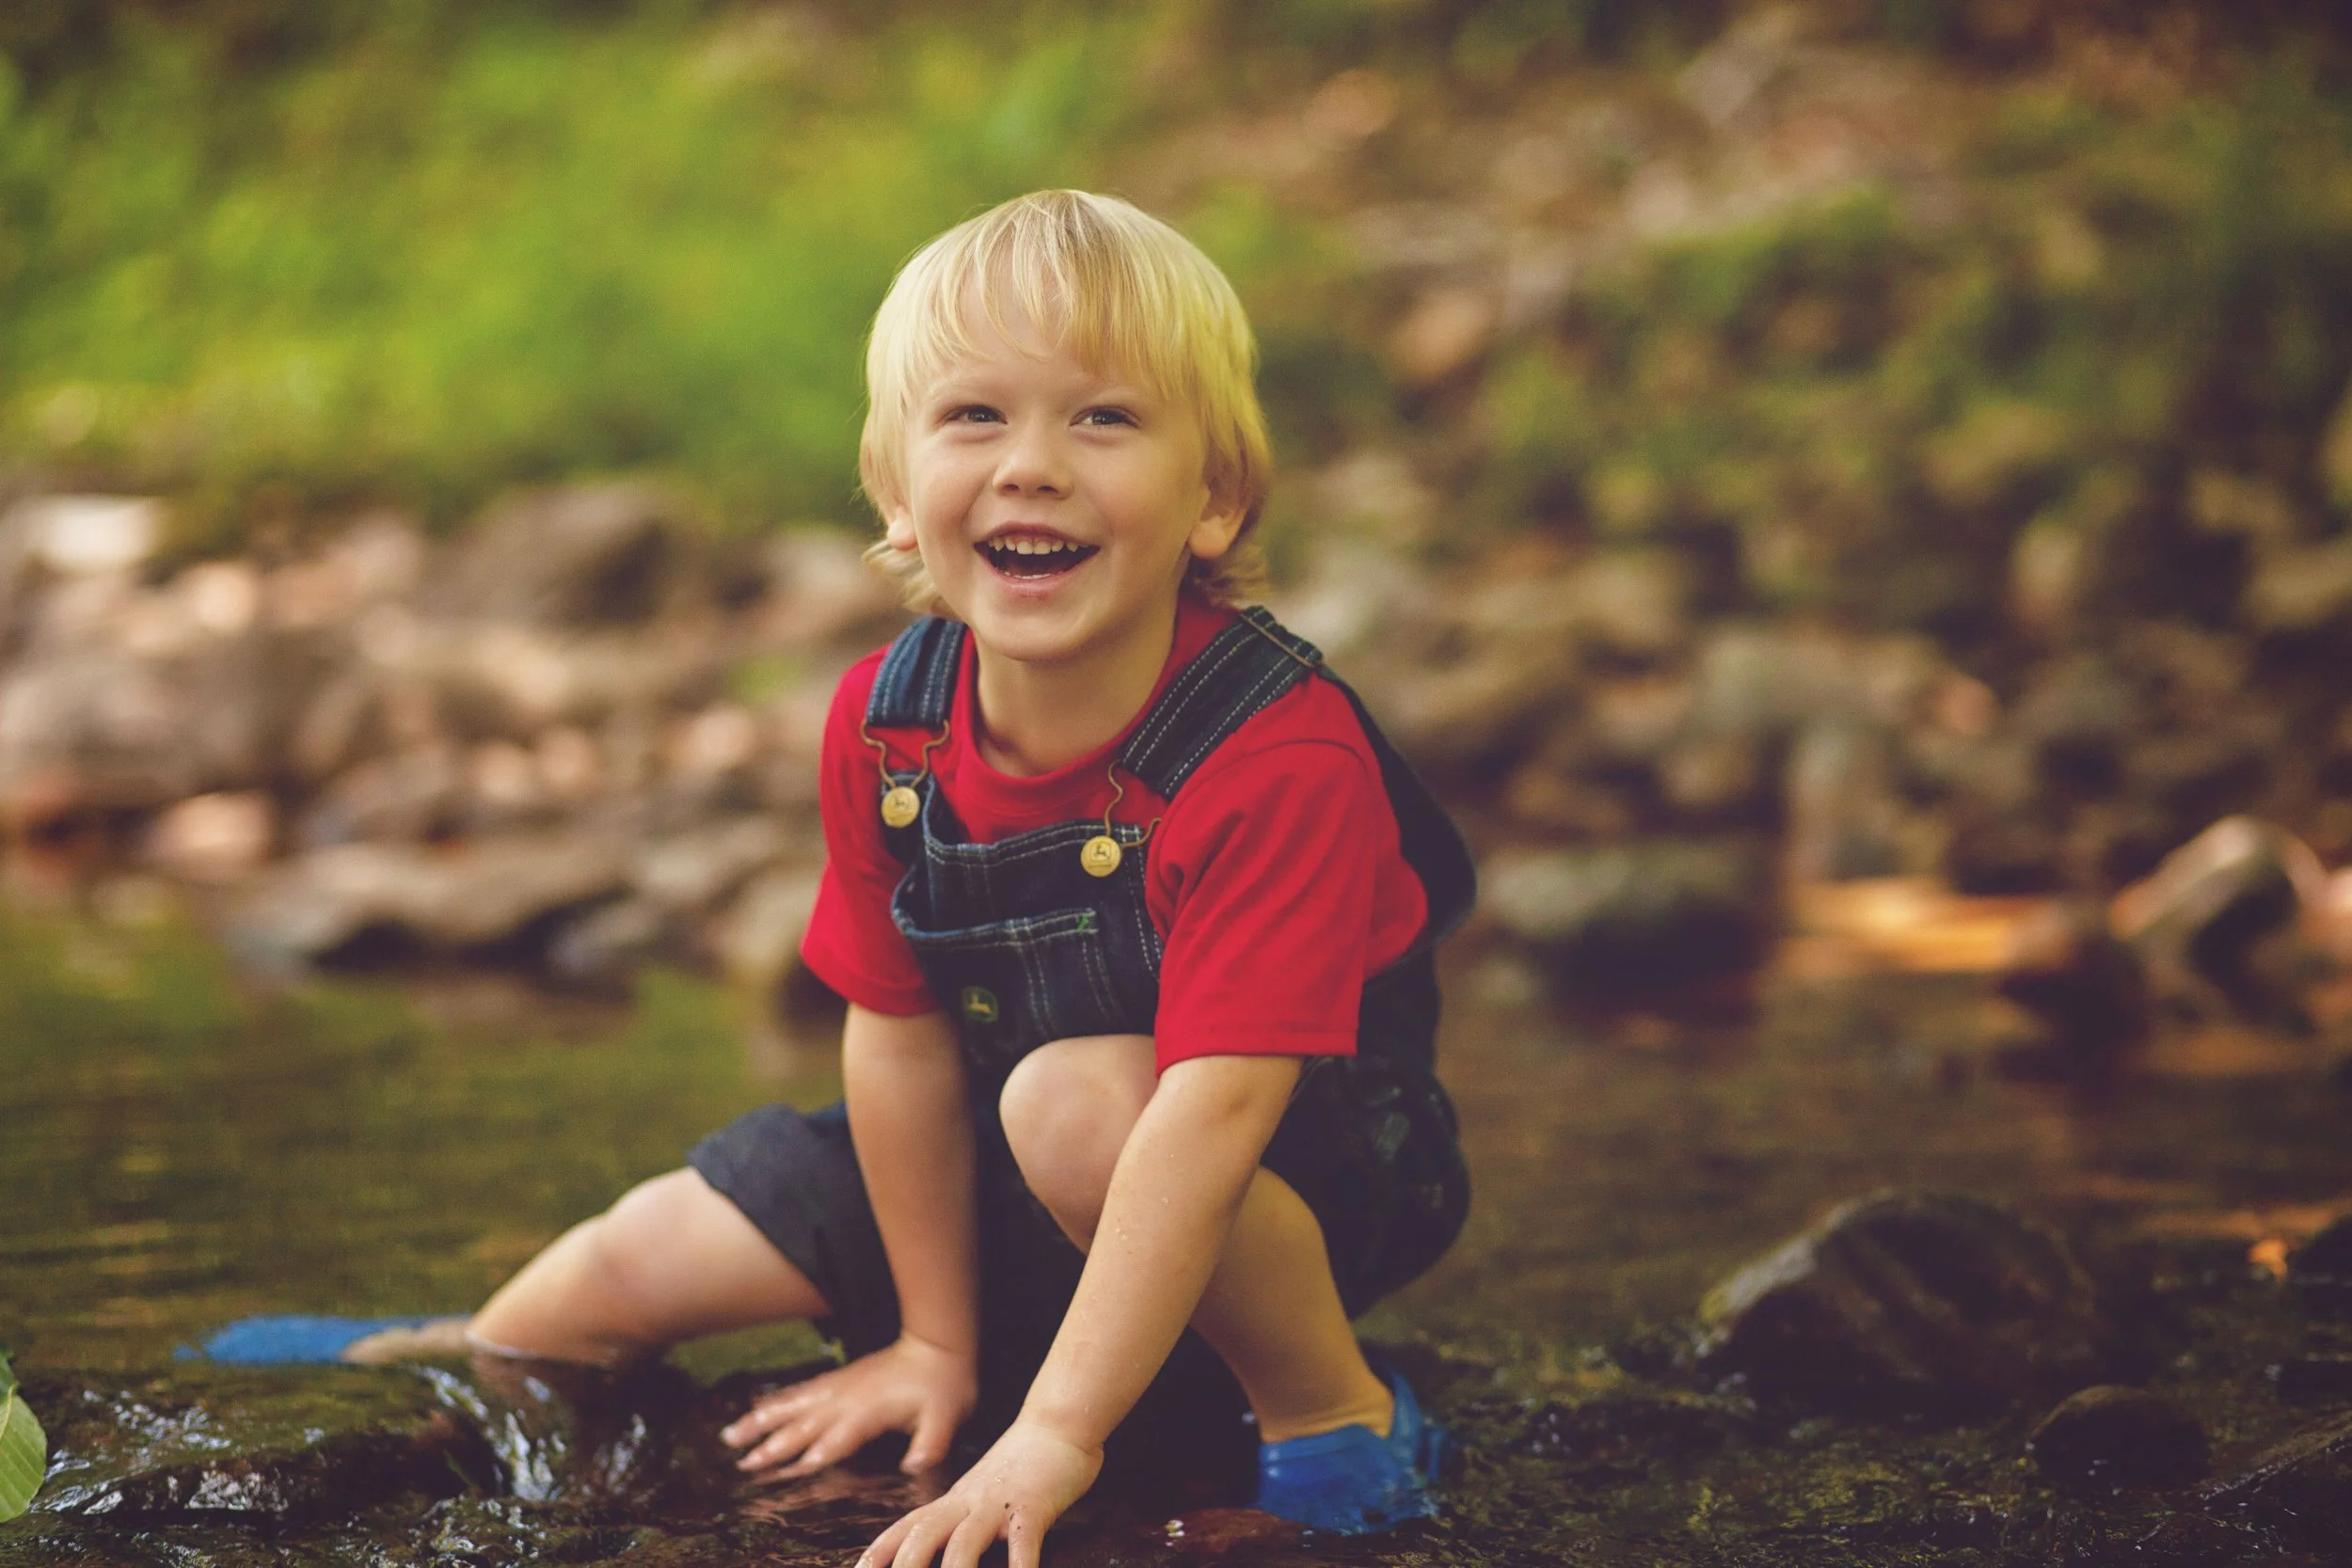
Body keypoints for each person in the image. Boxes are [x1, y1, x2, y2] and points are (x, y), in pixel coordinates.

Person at [212, 189, 1475, 1568]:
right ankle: (439, 1342)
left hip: (1298, 1163)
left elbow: (1213, 1112)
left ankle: (1333, 1407)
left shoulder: (1275, 755)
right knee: (589, 1290)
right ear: (894, 491)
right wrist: (930, 1340)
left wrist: (1053, 1433)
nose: (1032, 466)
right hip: (1004, 1134)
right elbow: (899, 1032)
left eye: (1103, 418)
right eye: (975, 416)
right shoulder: (890, 726)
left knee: (1072, 1107)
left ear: (1214, 499)